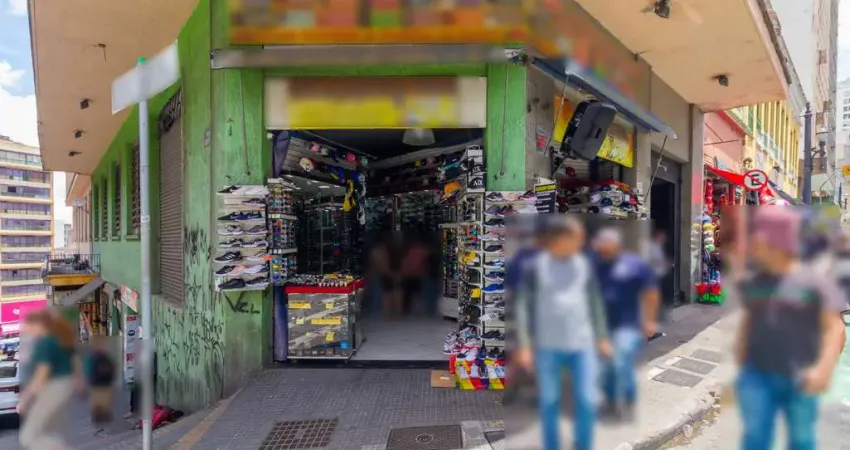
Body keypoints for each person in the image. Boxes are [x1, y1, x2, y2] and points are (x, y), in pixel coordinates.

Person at [732, 206, 847, 450]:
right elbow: (749, 319)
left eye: (759, 239)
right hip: (757, 373)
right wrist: (741, 359)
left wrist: (822, 371)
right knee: (754, 439)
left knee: (801, 440)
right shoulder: (756, 280)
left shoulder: (816, 281)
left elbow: (835, 330)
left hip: (800, 374)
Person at [514, 216, 611, 450]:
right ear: (560, 239)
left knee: (587, 399)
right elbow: (522, 306)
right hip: (548, 346)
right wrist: (525, 345)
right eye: (576, 239)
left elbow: (595, 302)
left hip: (583, 343)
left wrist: (602, 336)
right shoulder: (535, 267)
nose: (580, 243)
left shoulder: (584, 265)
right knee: (549, 402)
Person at [591, 227, 660, 419]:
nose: (602, 251)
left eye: (606, 248)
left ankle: (621, 401)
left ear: (616, 246)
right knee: (609, 365)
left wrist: (650, 321)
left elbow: (651, 292)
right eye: (600, 248)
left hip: (628, 325)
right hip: (603, 325)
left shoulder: (634, 265)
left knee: (618, 362)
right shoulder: (597, 266)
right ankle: (619, 398)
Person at [17, 309, 79, 450]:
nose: (26, 332)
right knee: (48, 432)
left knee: (28, 436)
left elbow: (41, 376)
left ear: (38, 325)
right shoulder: (57, 339)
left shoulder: (45, 343)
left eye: (27, 327)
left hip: (54, 388)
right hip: (63, 387)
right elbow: (74, 362)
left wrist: (25, 400)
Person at [84, 336, 116, 429]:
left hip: (97, 382)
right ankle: (101, 417)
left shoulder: (92, 356)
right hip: (101, 382)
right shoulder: (101, 357)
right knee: (102, 399)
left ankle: (99, 417)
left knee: (99, 400)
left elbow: (88, 369)